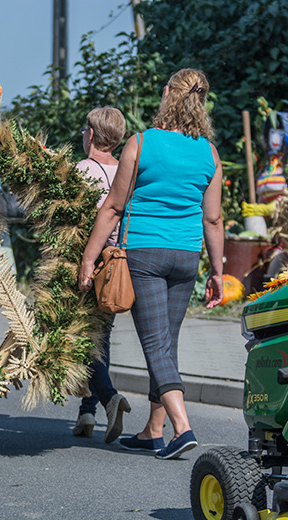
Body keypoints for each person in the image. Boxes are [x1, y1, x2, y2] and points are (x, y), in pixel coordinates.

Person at [78, 69, 224, 460]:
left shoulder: (140, 145)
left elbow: (112, 207)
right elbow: (212, 219)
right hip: (186, 257)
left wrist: (89, 259)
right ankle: (153, 430)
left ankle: (182, 428)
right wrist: (218, 272)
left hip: (144, 255)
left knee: (156, 345)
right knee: (166, 345)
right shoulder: (208, 152)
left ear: (167, 96)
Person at [72, 107, 131, 443]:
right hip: (117, 268)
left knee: (82, 342)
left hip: (90, 263)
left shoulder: (83, 170)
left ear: (91, 135)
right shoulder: (127, 171)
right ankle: (86, 413)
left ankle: (109, 399)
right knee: (101, 339)